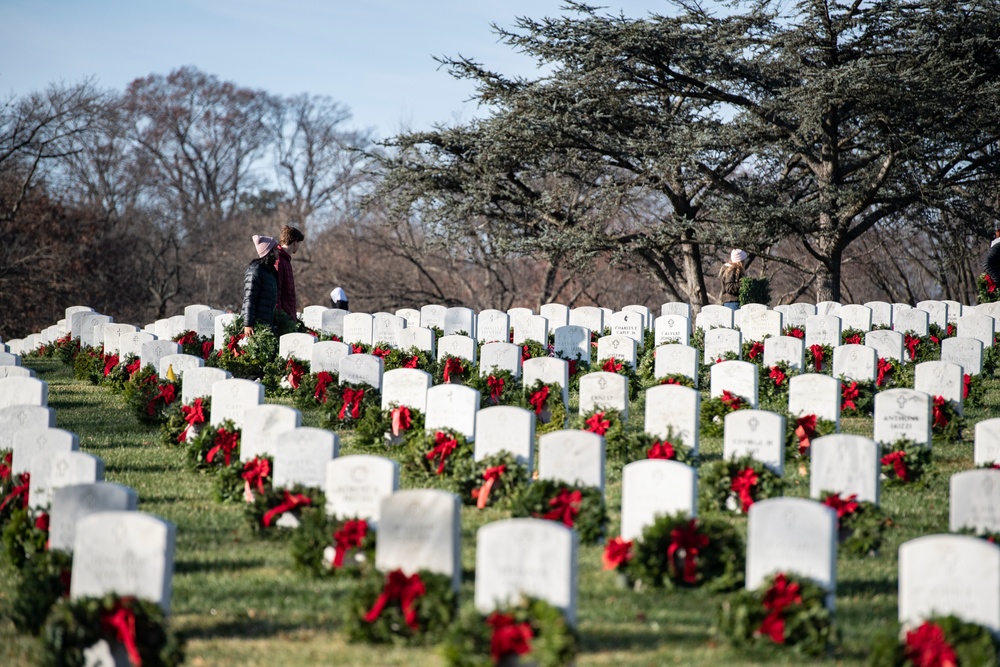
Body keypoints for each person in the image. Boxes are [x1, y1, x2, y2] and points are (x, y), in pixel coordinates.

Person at [242, 235, 279, 336]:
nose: (278, 252)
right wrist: (248, 324)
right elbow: (249, 298)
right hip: (255, 326)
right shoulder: (255, 270)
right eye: (275, 249)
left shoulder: (271, 271)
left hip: (267, 325)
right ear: (269, 252)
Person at [275, 225, 304, 319]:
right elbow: (276, 291)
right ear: (295, 242)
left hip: (288, 315)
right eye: (299, 243)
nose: (298, 246)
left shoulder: (285, 260)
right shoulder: (278, 260)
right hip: (282, 317)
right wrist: (280, 317)